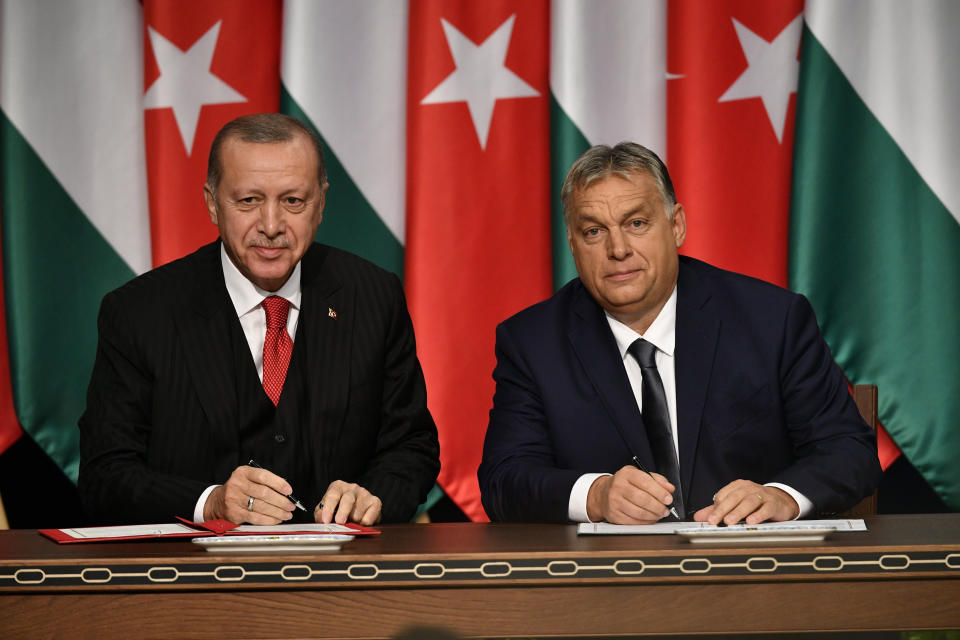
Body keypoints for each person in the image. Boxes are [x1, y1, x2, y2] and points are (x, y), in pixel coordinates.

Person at [478, 142, 881, 525]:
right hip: (607, 586)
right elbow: (503, 480)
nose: (618, 249)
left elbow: (849, 450)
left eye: (636, 223)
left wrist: (780, 495)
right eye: (594, 231)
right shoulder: (533, 343)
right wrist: (596, 496)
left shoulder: (772, 320)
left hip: (754, 574)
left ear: (676, 226)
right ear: (573, 244)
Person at [79, 113, 439, 526]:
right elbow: (103, 477)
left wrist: (372, 496)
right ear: (212, 203)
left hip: (339, 577)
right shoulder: (140, 313)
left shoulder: (374, 297)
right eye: (248, 200)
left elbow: (411, 446)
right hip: (193, 580)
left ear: (320, 203)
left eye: (293, 201)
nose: (271, 226)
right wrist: (210, 502)